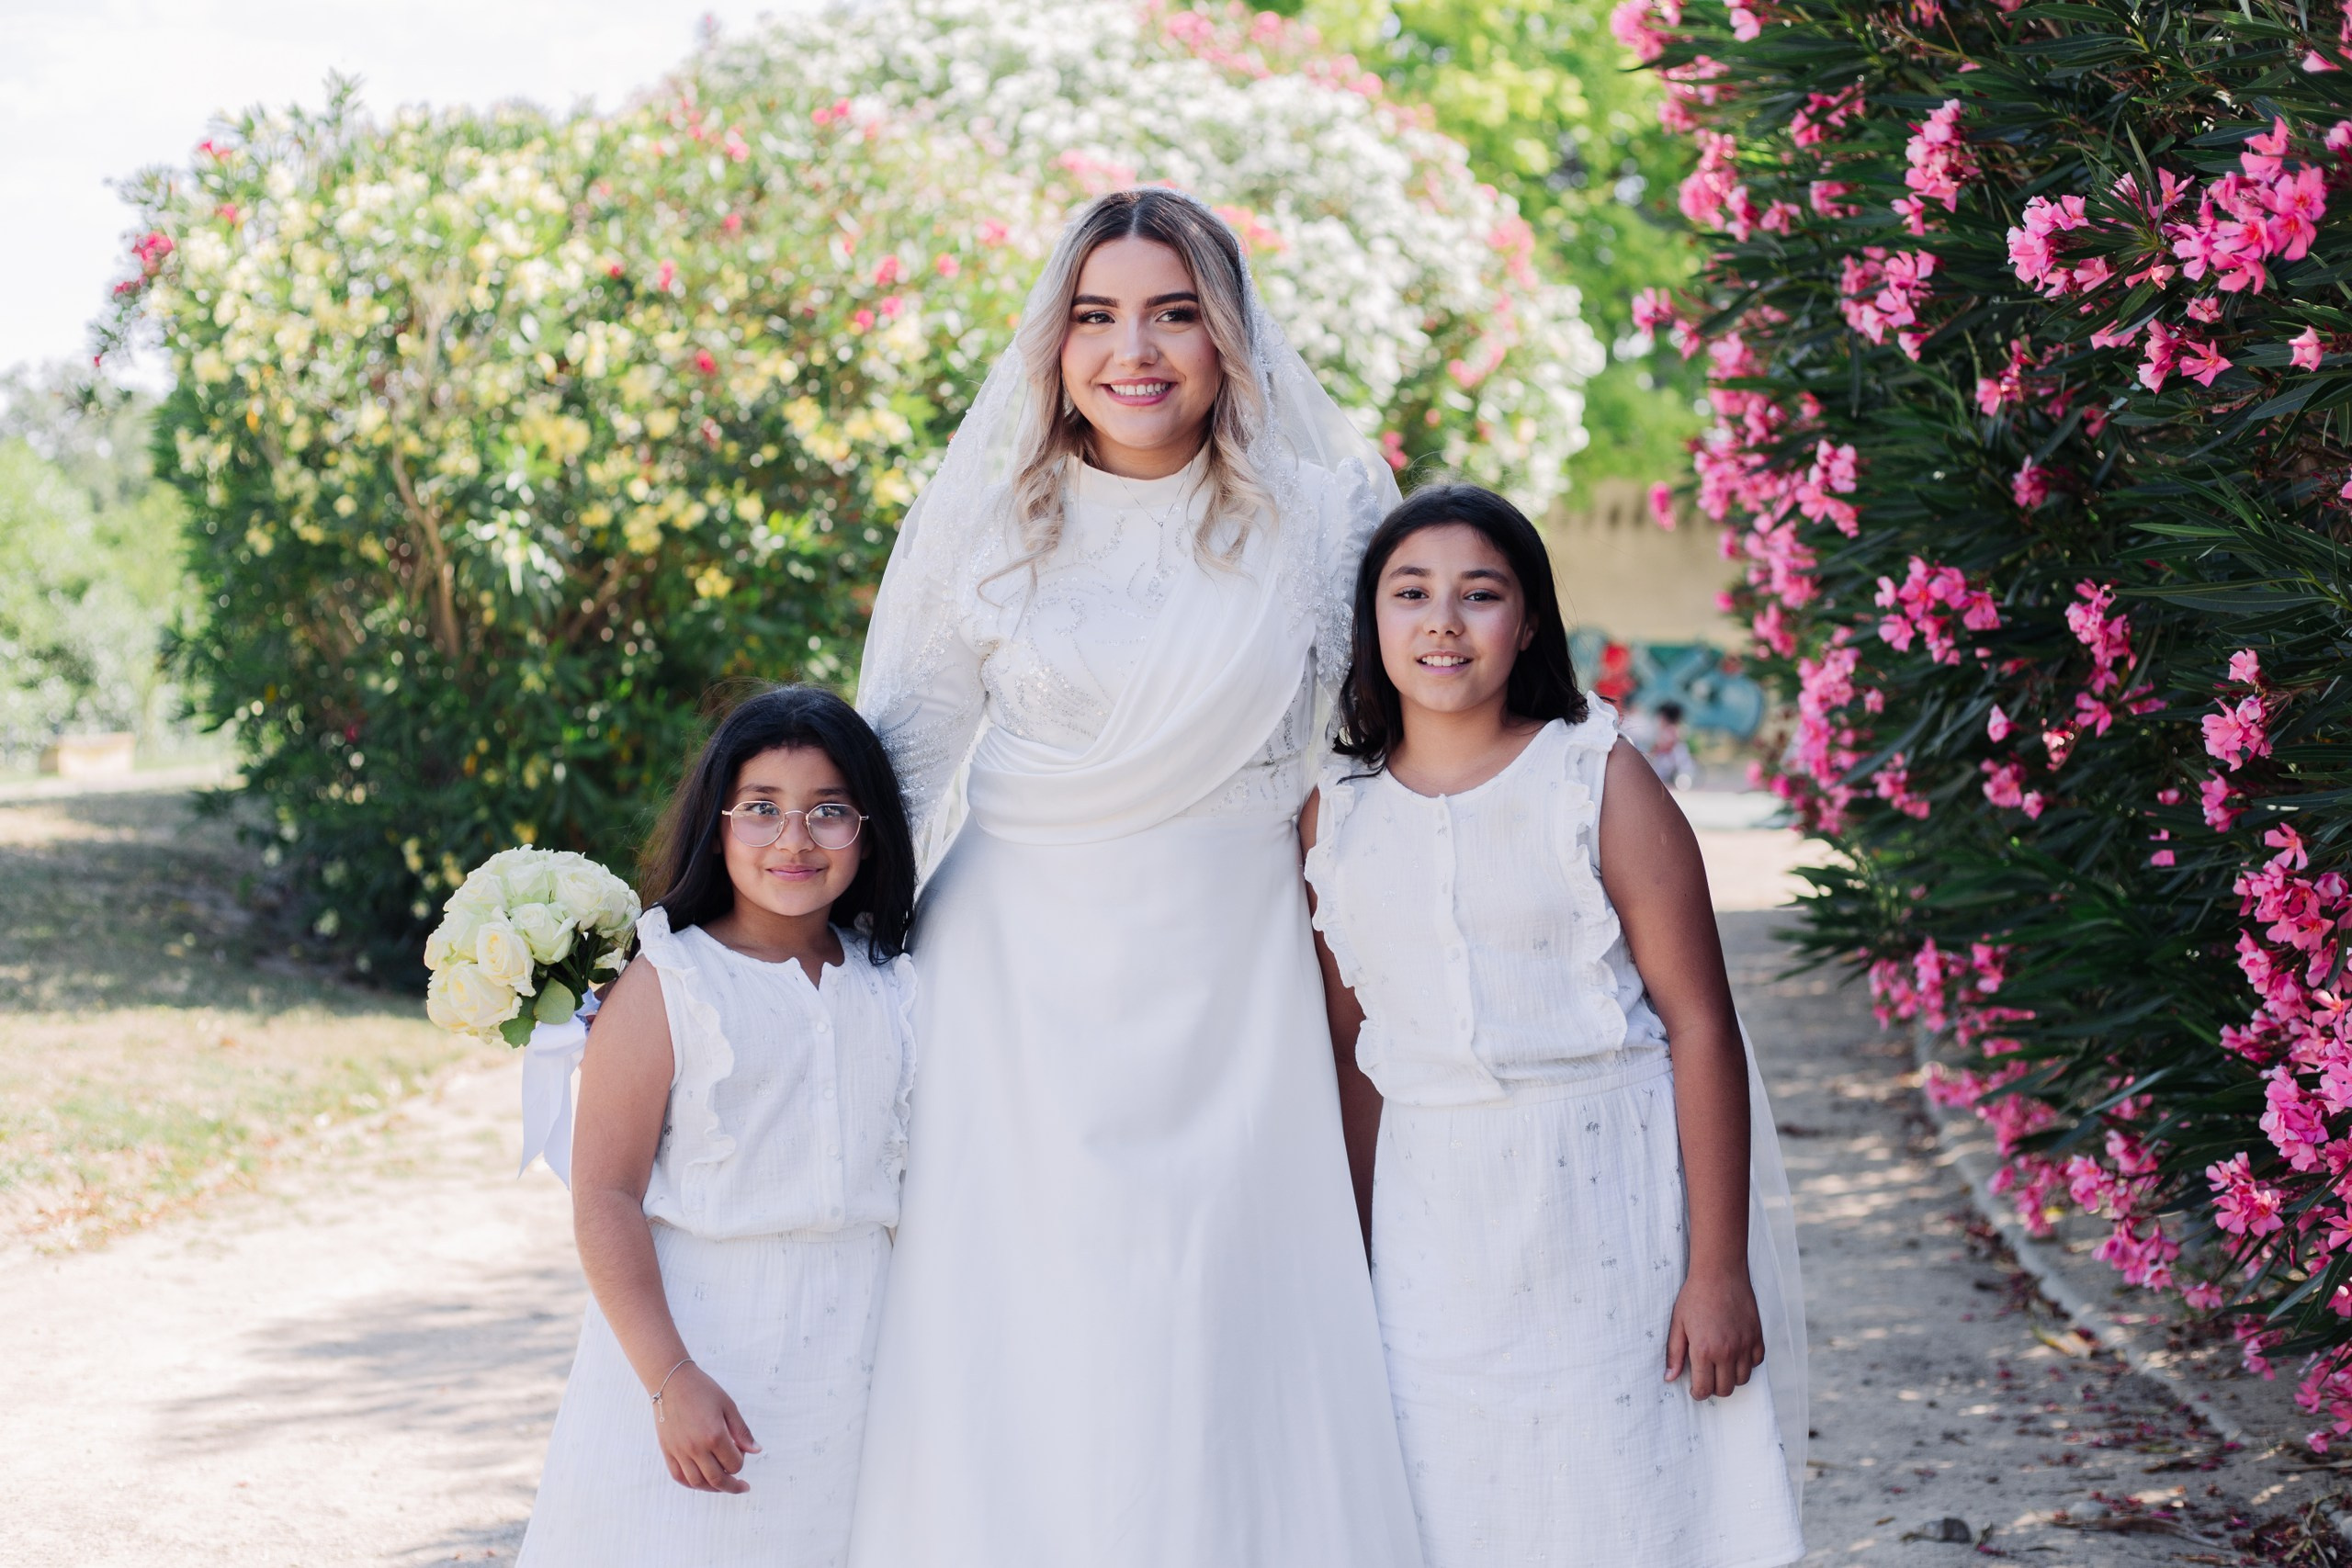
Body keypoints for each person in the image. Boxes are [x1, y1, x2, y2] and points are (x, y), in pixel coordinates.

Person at [847, 188, 1422, 1566]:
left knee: (1219, 1314)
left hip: (1235, 974)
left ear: (1231, 337)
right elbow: (897, 773)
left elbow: (1393, 745)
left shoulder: (1326, 516)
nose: (1136, 349)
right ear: (1055, 342)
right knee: (1032, 1320)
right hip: (1016, 984)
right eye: (1097, 316)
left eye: (1175, 312)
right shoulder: (988, 521)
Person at [1299, 485, 1807, 1568]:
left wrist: (1717, 1269)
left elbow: (1702, 1026)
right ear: (1371, 621)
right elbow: (1355, 1056)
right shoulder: (1333, 815)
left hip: (1604, 1199)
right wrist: (1352, 1257)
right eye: (1410, 593)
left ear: (1525, 623)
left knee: (1620, 1494)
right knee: (1456, 1501)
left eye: (1478, 594)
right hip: (1432, 1218)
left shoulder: (1596, 776)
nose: (1442, 620)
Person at [517, 686, 919, 1568]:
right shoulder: (671, 976)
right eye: (762, 809)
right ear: (718, 822)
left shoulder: (898, 982)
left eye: (828, 810)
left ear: (869, 824)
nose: (794, 839)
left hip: (856, 1364)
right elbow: (606, 1193)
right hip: (700, 1353)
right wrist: (669, 1379)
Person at [1647, 698, 1697, 788]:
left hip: (1674, 759)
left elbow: (1668, 745)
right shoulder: (1665, 730)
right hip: (1667, 759)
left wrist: (1657, 748)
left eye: (1661, 717)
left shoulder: (1673, 730)